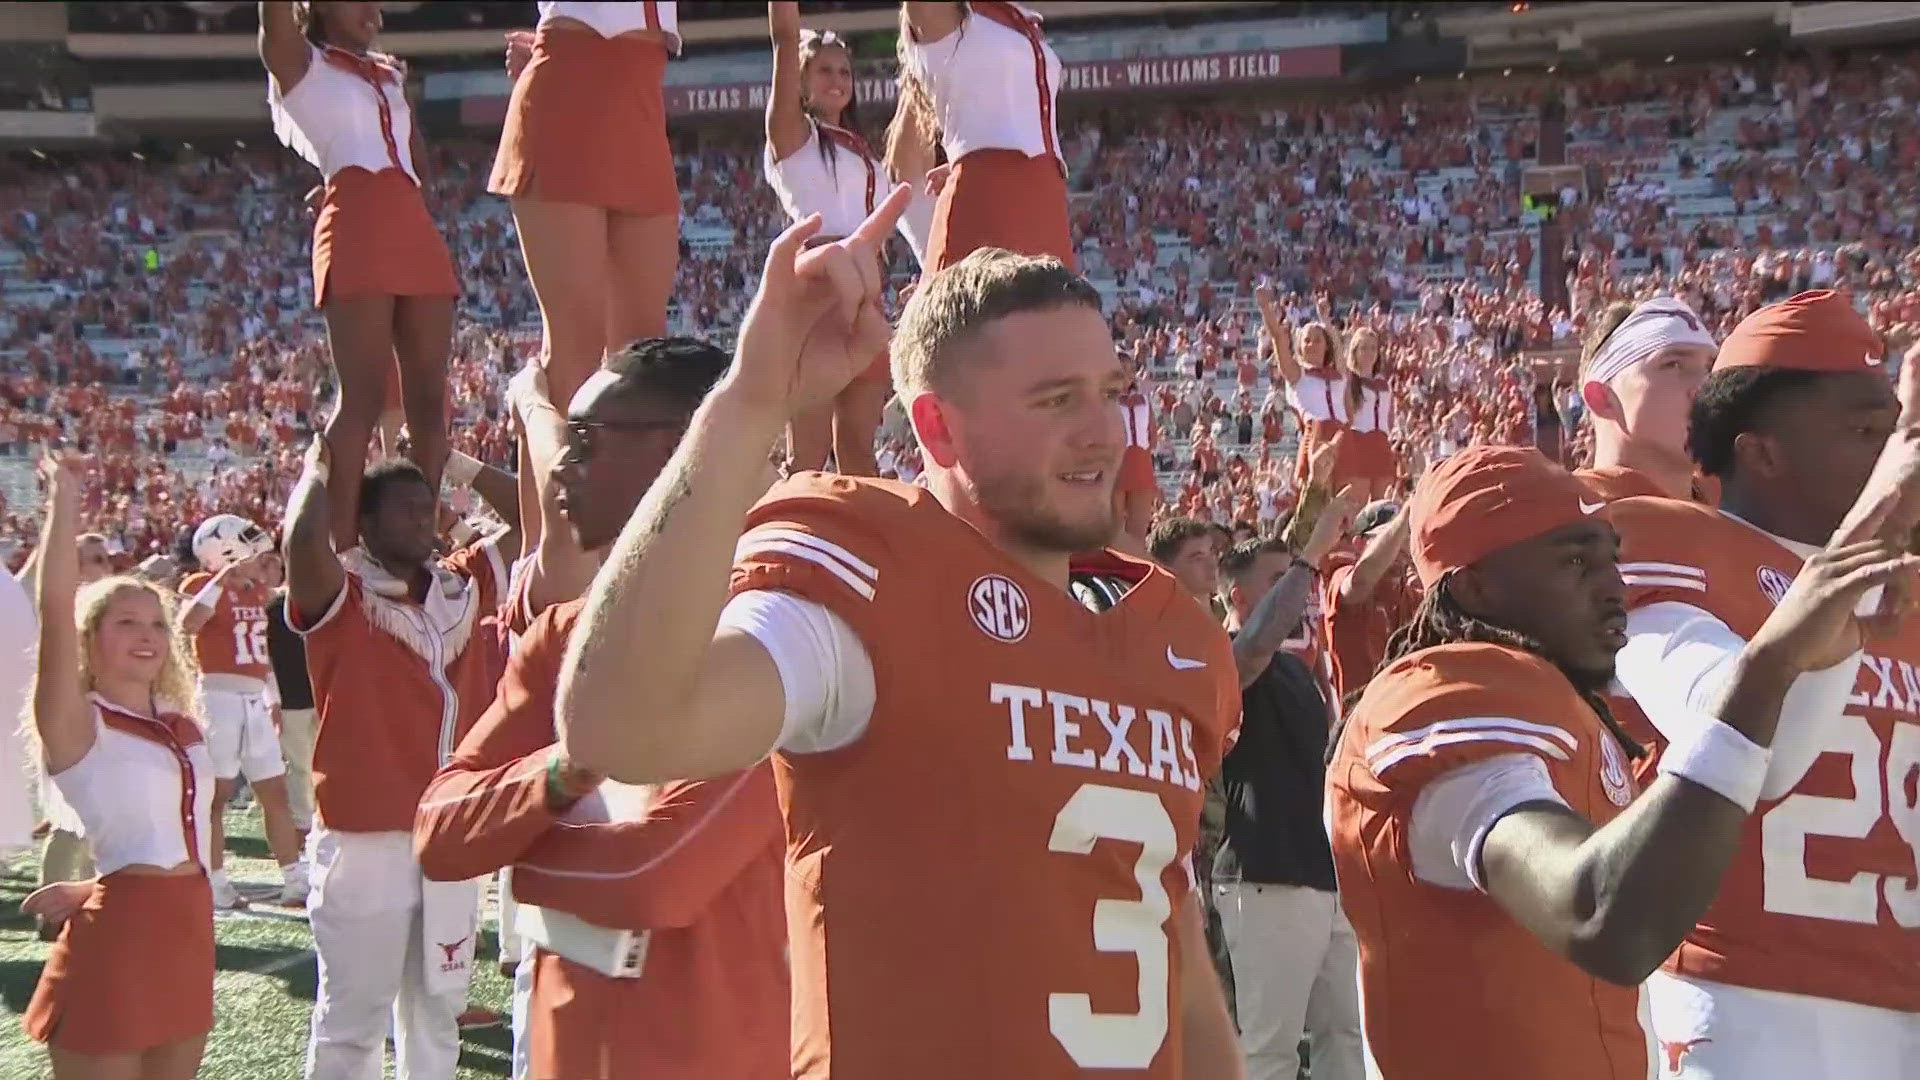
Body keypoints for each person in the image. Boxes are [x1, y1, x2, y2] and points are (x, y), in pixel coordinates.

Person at [557, 190, 1244, 1076]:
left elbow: (1171, 942)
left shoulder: (1168, 639)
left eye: (1111, 393)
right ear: (937, 427)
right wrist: (753, 398)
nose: (1101, 431)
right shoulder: (871, 584)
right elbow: (623, 727)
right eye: (1055, 400)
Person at [1325, 443, 1920, 1078]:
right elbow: (1601, 917)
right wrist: (1766, 669)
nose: (1614, 585)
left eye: (1614, 557)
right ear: (1475, 584)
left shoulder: (1564, 704)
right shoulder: (1447, 694)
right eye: (1576, 561)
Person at [415, 337, 788, 1077]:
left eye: (587, 440)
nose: (561, 463)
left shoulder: (775, 633)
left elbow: (658, 877)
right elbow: (439, 832)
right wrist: (565, 771)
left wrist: (520, 864)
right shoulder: (565, 635)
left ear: (693, 446)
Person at [1608, 291, 1920, 1077]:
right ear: (1764, 452)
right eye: (1865, 431)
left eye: (1898, 431)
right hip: (1749, 997)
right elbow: (1751, 752)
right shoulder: (1669, 540)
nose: (1894, 455)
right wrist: (1874, 523)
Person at [281, 443, 508, 1080]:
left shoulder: (460, 586)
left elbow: (537, 518)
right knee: (353, 1021)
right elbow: (302, 545)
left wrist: (458, 464)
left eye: (427, 507)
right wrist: (319, 473)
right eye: (405, 510)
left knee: (437, 1011)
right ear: (367, 525)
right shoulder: (345, 595)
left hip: (451, 835)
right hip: (367, 840)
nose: (422, 519)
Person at [21, 453, 216, 1080]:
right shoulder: (79, 720)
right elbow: (52, 606)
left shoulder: (179, 721)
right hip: (117, 951)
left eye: (158, 623)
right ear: (89, 637)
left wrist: (98, 886)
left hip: (188, 930)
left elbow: (161, 837)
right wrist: (65, 500)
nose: (148, 635)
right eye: (126, 622)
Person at [260, 0, 457, 550]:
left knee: (428, 400)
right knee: (363, 398)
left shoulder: (389, 75)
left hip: (410, 218)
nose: (372, 10)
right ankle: (342, 543)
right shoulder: (301, 65)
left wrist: (399, 89)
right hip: (356, 216)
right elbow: (273, 24)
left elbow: (415, 162)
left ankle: (421, 535)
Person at [491, 0, 680, 461]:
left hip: (641, 99)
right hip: (570, 88)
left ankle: (622, 523)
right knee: (576, 346)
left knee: (642, 359)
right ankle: (551, 528)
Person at [1215, 528, 1366, 1080]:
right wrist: (1311, 556)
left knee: (1344, 1038)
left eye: (1299, 580)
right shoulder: (1224, 661)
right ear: (1238, 597)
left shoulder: (1298, 676)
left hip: (1325, 877)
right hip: (1266, 875)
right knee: (1270, 1050)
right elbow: (1251, 648)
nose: (1299, 593)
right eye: (1280, 581)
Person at [764, 0, 933, 475]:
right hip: (816, 285)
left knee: (860, 451)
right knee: (809, 457)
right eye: (822, 70)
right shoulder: (792, 135)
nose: (836, 79)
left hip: (867, 292)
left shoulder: (866, 155)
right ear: (800, 79)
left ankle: (860, 547)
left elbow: (901, 207)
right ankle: (792, 546)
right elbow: (783, 40)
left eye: (844, 70)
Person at [886, 0, 1074, 272]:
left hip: (1046, 198)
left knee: (1057, 310)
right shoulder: (951, 16)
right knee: (978, 309)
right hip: (989, 198)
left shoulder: (1021, 19)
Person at [179, 514, 307, 909]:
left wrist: (273, 700)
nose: (259, 559)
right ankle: (215, 881)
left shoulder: (256, 592)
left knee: (275, 792)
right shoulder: (200, 585)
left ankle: (294, 879)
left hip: (253, 699)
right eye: (249, 552)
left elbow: (262, 655)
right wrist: (222, 579)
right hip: (218, 698)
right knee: (215, 795)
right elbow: (189, 623)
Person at [1574, 296, 1719, 503]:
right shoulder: (1551, 525)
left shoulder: (1750, 520)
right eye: (1674, 364)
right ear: (1602, 398)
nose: (1707, 385)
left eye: (1710, 368)